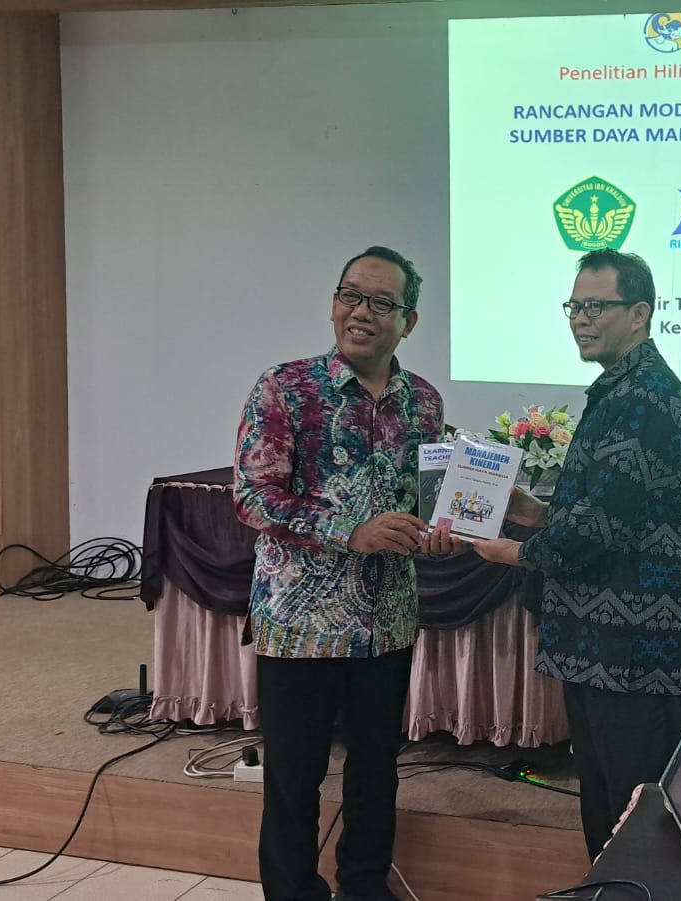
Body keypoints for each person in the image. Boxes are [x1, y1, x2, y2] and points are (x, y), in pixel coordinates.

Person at [469, 248, 681, 859]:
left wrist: (516, 551)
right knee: (607, 810)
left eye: (596, 306)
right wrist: (538, 514)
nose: (580, 318)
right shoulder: (620, 388)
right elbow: (616, 508)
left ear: (640, 313)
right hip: (605, 644)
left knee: (637, 822)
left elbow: (600, 528)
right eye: (574, 306)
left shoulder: (644, 397)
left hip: (632, 650)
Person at [234, 246, 446, 901]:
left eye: (381, 302)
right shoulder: (285, 388)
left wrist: (443, 530)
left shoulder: (424, 402)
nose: (361, 311)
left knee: (377, 770)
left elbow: (425, 502)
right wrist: (349, 531)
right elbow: (253, 496)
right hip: (301, 624)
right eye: (350, 295)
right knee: (294, 777)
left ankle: (364, 886)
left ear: (408, 322)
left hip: (387, 623)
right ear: (333, 304)